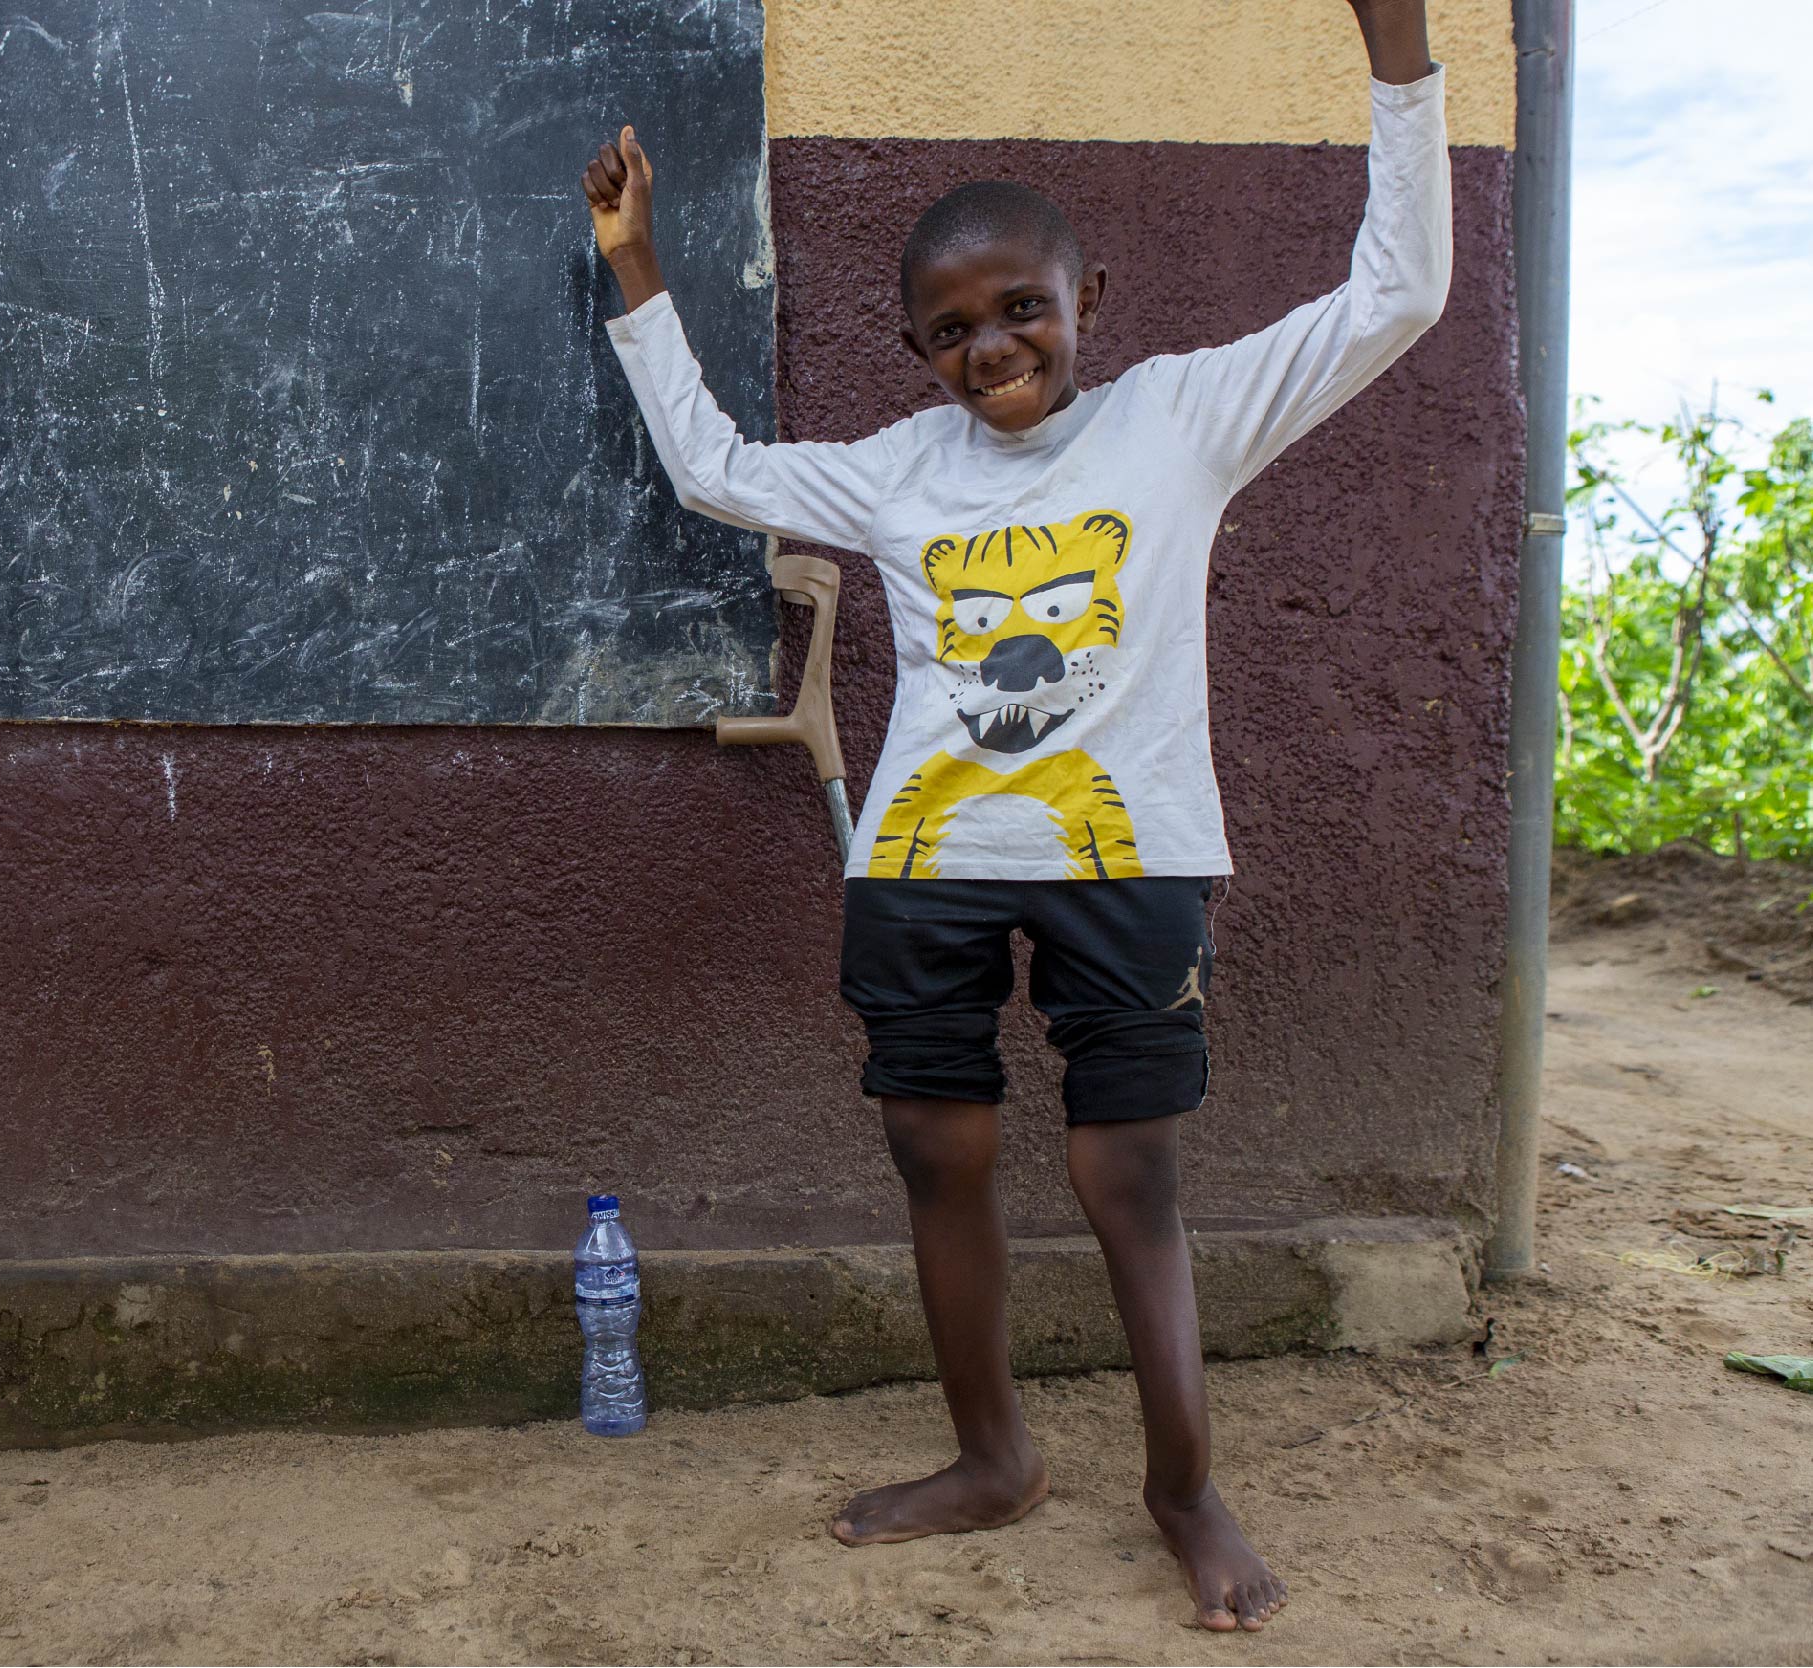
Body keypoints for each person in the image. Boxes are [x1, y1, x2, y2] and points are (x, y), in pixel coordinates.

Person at [578, 0, 1447, 1633]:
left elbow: (1398, 292)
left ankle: (1183, 1486)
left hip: (1132, 858)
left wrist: (1397, 54)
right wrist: (638, 270)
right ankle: (993, 1459)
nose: (991, 352)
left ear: (1085, 304)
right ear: (915, 347)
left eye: (1020, 312)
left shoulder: (1182, 416)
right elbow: (709, 467)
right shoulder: (901, 469)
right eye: (950, 329)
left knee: (1129, 1175)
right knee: (934, 1152)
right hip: (925, 862)